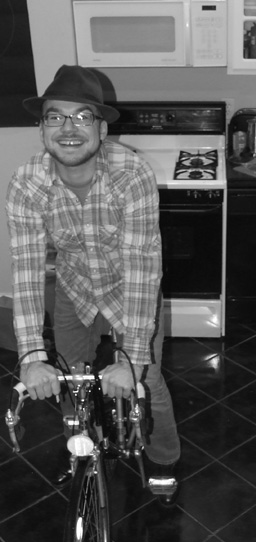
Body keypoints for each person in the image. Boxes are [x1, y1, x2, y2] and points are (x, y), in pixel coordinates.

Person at [6, 65, 180, 505]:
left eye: (82, 117)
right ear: (42, 127)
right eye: (55, 117)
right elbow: (26, 269)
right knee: (71, 375)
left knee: (149, 380)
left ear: (102, 129)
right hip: (75, 286)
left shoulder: (131, 174)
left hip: (129, 287)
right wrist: (30, 356)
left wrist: (134, 360)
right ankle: (83, 442)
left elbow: (142, 266)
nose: (68, 128)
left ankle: (163, 459)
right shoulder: (27, 184)